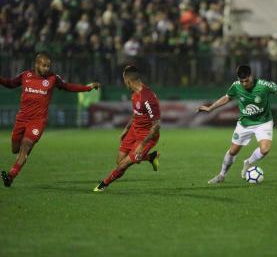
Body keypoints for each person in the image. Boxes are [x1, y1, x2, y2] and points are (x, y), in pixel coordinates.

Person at [0, 53, 100, 187]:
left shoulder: (53, 78)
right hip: (21, 119)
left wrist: (88, 88)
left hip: (37, 121)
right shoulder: (25, 75)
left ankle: (11, 175)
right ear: (37, 65)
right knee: (15, 149)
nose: (47, 68)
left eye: (48, 66)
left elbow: (68, 87)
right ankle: (20, 160)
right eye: (44, 65)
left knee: (26, 145)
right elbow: (10, 84)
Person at [198, 65, 277, 183]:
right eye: (242, 81)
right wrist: (210, 108)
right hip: (244, 124)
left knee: (265, 150)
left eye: (247, 80)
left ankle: (248, 162)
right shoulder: (236, 86)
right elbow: (227, 98)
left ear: (252, 76)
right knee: (233, 151)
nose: (244, 84)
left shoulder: (264, 85)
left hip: (263, 122)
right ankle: (221, 175)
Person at [93, 65, 160, 192]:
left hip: (146, 137)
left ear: (128, 81)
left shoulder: (148, 97)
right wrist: (126, 129)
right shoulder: (134, 94)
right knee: (119, 161)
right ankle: (151, 157)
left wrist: (142, 145)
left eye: (124, 81)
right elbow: (136, 114)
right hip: (133, 131)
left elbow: (156, 126)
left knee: (124, 164)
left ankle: (103, 184)